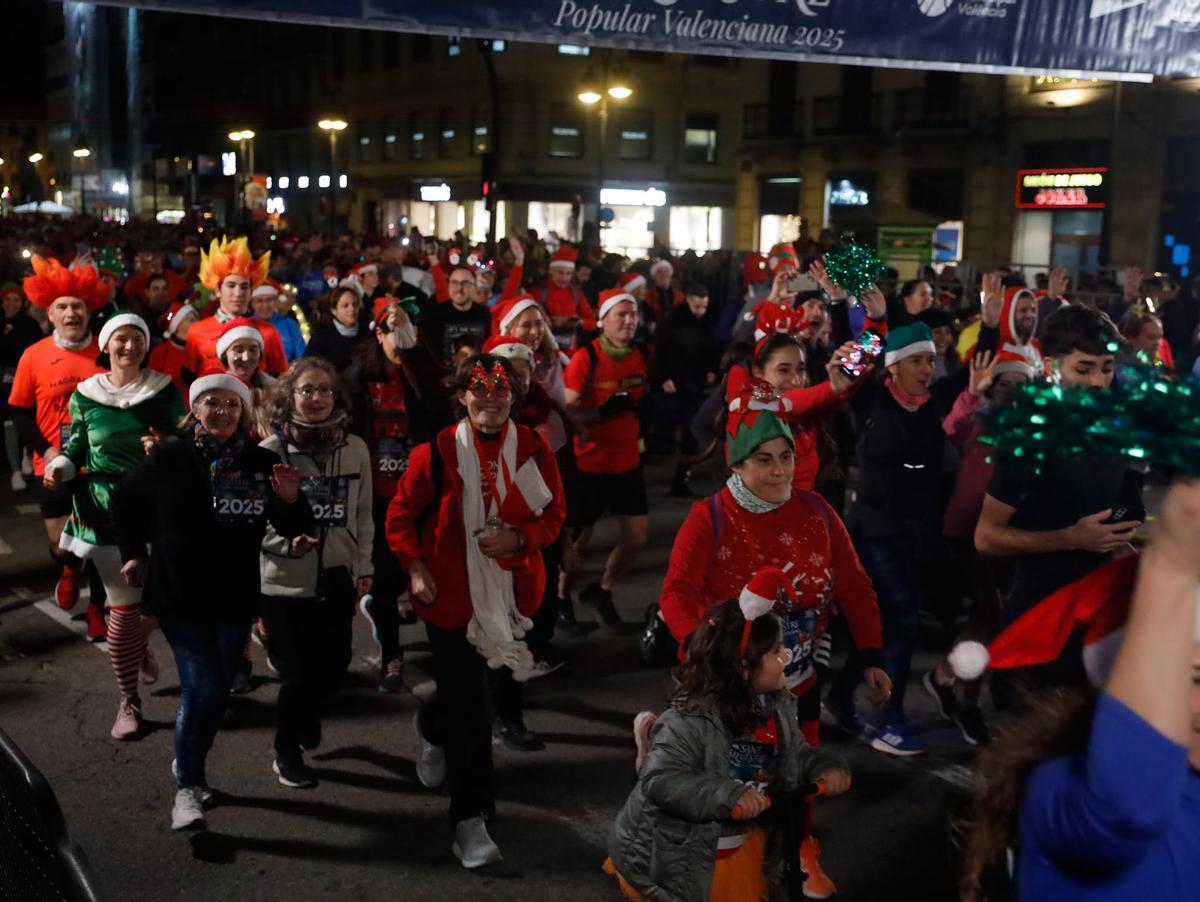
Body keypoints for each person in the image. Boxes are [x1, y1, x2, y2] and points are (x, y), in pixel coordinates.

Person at [659, 379, 888, 898]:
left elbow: (854, 584)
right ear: (737, 465)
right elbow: (676, 591)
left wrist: (872, 653)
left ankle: (800, 845)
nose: (780, 470)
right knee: (724, 785)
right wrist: (705, 650)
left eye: (786, 455)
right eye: (764, 460)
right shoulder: (710, 517)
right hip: (729, 688)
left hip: (797, 678)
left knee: (796, 768)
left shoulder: (818, 511)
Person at [959, 480, 1200, 901]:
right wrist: (1172, 569)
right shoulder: (1060, 789)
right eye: (1194, 677)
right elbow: (1123, 812)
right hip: (1058, 610)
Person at [386, 353, 565, 868]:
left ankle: (432, 724)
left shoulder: (533, 448)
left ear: (515, 396)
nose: (490, 400)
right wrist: (416, 567)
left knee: (475, 699)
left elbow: (554, 513)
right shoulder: (436, 452)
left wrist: (522, 537)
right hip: (451, 603)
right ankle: (471, 819)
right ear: (462, 395)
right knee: (473, 712)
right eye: (478, 391)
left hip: (513, 601)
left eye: (500, 391)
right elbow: (399, 515)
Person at [111, 373, 311, 831]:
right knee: (201, 686)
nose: (222, 412)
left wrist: (291, 501)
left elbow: (290, 519)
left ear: (243, 413)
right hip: (179, 593)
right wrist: (133, 553)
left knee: (218, 690)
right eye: (212, 403)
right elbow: (124, 499)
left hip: (233, 595)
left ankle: (188, 763)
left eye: (232, 405)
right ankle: (187, 788)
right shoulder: (170, 456)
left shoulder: (260, 461)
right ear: (196, 409)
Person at [606, 575, 853, 902]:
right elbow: (661, 780)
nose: (787, 656)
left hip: (735, 839)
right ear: (744, 669)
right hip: (680, 854)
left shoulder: (775, 705)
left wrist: (823, 766)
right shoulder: (690, 719)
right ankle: (651, 746)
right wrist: (728, 794)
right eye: (777, 650)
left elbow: (793, 754)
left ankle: (651, 743)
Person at [975, 305, 1144, 706]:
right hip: (1040, 624)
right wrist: (1072, 538)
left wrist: (1124, 548)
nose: (1099, 381)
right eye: (1083, 369)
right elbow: (987, 536)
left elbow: (1115, 517)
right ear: (1051, 366)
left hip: (1098, 620)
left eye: (1106, 367)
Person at [44, 311, 185, 740]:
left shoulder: (164, 391)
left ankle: (138, 647)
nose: (128, 346)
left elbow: (186, 441)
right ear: (106, 345)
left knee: (161, 603)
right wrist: (60, 468)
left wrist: (166, 446)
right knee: (122, 611)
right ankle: (129, 701)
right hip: (103, 511)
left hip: (157, 507)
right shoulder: (86, 395)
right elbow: (77, 447)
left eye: (136, 339)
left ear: (145, 344)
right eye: (120, 339)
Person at [828, 322, 947, 756]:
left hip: (916, 531)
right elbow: (849, 367)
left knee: (882, 626)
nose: (926, 368)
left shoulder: (934, 405)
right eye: (916, 360)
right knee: (903, 620)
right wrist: (875, 325)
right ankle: (890, 718)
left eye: (930, 360)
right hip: (875, 530)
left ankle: (841, 697)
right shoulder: (873, 399)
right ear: (893, 367)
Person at [257, 357, 374, 788]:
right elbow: (252, 522)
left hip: (337, 576)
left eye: (325, 390)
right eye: (307, 390)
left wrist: (365, 566)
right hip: (282, 584)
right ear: (290, 397)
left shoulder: (355, 448)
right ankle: (286, 751)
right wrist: (285, 544)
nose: (317, 398)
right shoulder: (270, 453)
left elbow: (363, 515)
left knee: (334, 667)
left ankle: (306, 714)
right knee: (297, 674)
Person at [921, 350, 1032, 746]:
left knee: (994, 619)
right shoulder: (976, 421)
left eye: (1023, 386)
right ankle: (960, 693)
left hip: (1010, 534)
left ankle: (950, 681)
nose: (1014, 393)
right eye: (1006, 384)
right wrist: (971, 393)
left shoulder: (1030, 431)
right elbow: (946, 429)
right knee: (989, 616)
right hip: (970, 533)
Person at [347, 297, 449, 692]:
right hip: (377, 497)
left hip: (421, 494)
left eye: (410, 328)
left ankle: (444, 651)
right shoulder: (358, 378)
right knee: (386, 583)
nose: (403, 334)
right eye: (394, 328)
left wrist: (412, 356)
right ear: (378, 333)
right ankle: (391, 654)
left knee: (432, 575)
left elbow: (439, 406)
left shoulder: (422, 373)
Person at [10, 258, 109, 639]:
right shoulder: (33, 355)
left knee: (102, 541)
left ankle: (98, 609)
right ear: (49, 312)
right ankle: (69, 569)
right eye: (63, 307)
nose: (72, 313)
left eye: (78, 306)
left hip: (99, 463)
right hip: (50, 461)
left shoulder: (105, 351)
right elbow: (19, 411)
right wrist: (47, 450)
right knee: (60, 545)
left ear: (89, 311)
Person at [563, 288, 648, 627]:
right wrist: (601, 412)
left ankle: (602, 590)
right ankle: (560, 597)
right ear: (603, 321)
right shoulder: (587, 357)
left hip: (627, 462)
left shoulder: (640, 354)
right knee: (578, 542)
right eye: (621, 315)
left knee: (635, 539)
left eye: (633, 315)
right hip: (590, 465)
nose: (629, 322)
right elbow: (567, 412)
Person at [185, 237, 287, 379]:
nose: (238, 293)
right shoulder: (196, 332)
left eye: (245, 287)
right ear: (217, 290)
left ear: (251, 291)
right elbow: (189, 378)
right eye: (231, 285)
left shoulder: (268, 332)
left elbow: (281, 378)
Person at [650, 282, 718, 496]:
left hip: (693, 386)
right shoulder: (670, 323)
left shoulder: (703, 322)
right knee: (661, 432)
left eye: (704, 307)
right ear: (688, 300)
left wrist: (711, 369)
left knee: (690, 434)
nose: (701, 311)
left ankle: (680, 480)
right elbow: (657, 353)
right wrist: (663, 378)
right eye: (697, 306)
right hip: (671, 387)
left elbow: (709, 348)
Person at [506, 239, 597, 352]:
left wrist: (579, 322)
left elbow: (593, 322)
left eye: (568, 274)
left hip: (570, 353)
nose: (564, 278)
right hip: (543, 351)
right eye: (560, 273)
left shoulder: (576, 293)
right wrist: (548, 322)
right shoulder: (538, 291)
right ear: (551, 271)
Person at [1, 281, 42, 491]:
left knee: (28, 415)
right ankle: (15, 470)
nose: (11, 304)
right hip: (4, 379)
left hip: (26, 375)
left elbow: (36, 348)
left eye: (16, 300)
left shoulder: (28, 323)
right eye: (7, 299)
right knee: (9, 423)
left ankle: (28, 454)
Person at [420, 256, 494, 366]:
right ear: (449, 286)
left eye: (465, 283)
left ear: (474, 287)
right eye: (454, 282)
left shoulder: (486, 314)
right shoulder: (432, 315)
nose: (459, 288)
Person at [303, 285, 363, 372]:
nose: (352, 309)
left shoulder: (366, 332)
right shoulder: (322, 336)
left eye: (355, 304)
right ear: (334, 310)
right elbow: (309, 364)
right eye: (345, 305)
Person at [147, 302, 198, 395]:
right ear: (177, 326)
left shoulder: (200, 350)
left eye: (196, 319)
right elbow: (151, 383)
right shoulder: (162, 351)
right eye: (191, 320)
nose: (196, 323)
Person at [251, 282, 306, 362]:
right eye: (260, 301)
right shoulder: (247, 325)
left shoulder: (290, 324)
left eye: (269, 300)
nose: (265, 306)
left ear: (276, 301)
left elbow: (301, 356)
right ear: (252, 304)